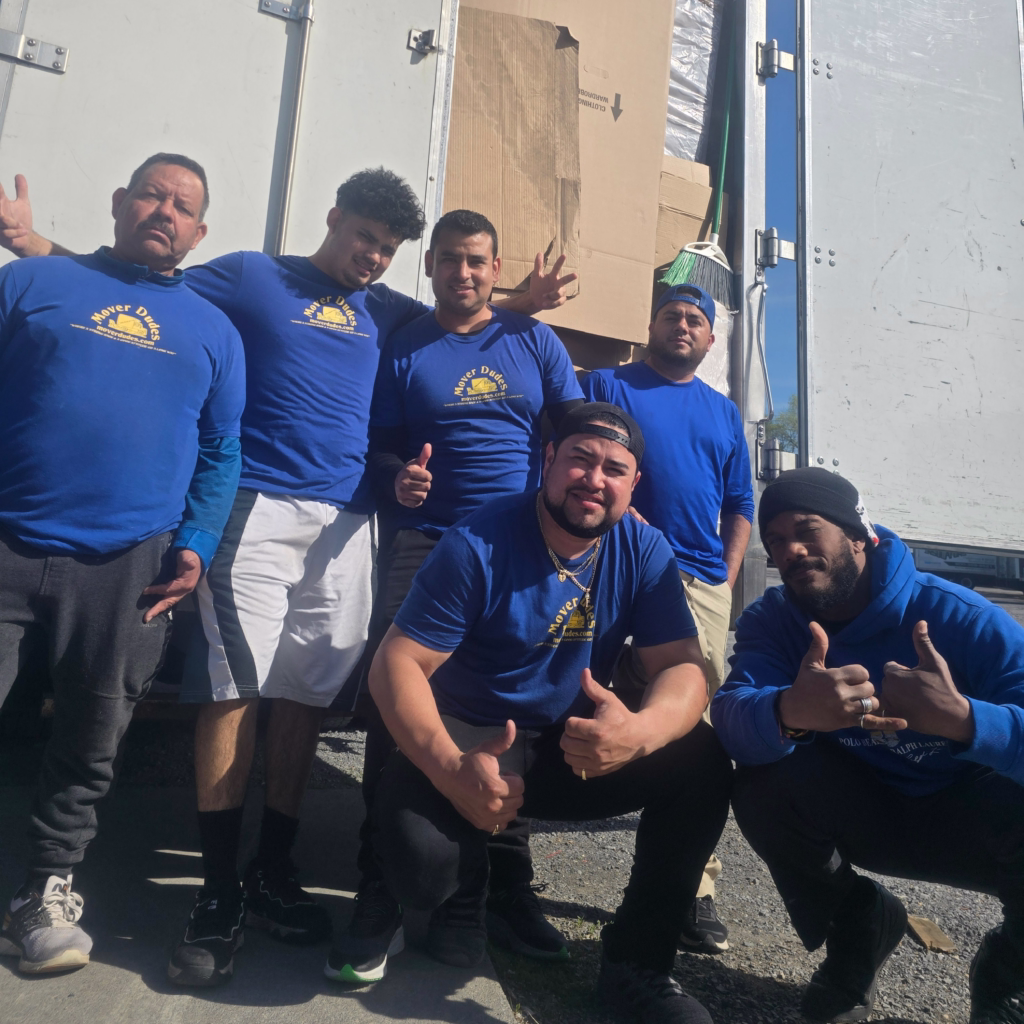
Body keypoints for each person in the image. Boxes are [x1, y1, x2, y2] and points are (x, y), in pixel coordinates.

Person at [0, 168, 576, 987]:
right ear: (333, 219)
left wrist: (518, 301)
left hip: (348, 524)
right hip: (259, 509)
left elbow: (462, 311)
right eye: (364, 237)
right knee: (234, 690)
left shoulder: (391, 311)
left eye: (387, 248)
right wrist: (32, 243)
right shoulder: (251, 276)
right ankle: (218, 892)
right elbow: (142, 282)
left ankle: (272, 867)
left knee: (304, 696)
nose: (372, 256)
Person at [367, 402, 733, 1024]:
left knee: (702, 761)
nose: (594, 479)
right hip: (475, 740)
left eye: (614, 469)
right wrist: (449, 769)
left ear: (634, 485)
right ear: (548, 460)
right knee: (422, 872)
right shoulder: (477, 540)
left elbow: (683, 665)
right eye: (580, 459)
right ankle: (471, 882)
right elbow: (395, 663)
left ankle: (637, 966)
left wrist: (640, 732)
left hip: (569, 745)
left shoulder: (644, 549)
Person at [0, 155, 245, 975]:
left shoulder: (214, 330)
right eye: (151, 194)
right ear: (119, 202)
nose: (164, 211)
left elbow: (223, 448)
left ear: (199, 234)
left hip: (131, 562)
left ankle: (43, 896)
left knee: (91, 737)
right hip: (8, 540)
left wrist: (196, 543)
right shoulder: (30, 286)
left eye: (182, 206)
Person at [327, 208, 584, 983]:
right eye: (449, 260)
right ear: (430, 265)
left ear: (495, 268)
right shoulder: (406, 347)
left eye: (476, 261)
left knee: (515, 708)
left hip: (523, 548)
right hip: (427, 543)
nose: (462, 273)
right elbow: (379, 444)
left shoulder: (533, 340)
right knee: (395, 705)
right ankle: (378, 888)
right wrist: (397, 475)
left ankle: (494, 888)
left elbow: (575, 430)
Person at [711, 467, 1024, 1023]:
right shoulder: (775, 621)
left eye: (808, 530)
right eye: (776, 540)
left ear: (859, 535)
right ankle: (860, 928)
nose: (791, 550)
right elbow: (732, 714)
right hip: (866, 808)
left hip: (970, 818)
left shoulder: (963, 619)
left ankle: (1008, 974)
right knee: (762, 782)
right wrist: (789, 710)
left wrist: (967, 720)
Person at [582, 282, 753, 953]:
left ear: (709, 339)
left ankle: (690, 888)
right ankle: (507, 856)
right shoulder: (608, 385)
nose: (682, 325)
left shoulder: (723, 412)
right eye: (671, 315)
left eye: (694, 320)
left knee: (694, 728)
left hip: (698, 583)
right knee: (570, 690)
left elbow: (740, 505)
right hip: (613, 565)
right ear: (650, 326)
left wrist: (725, 578)